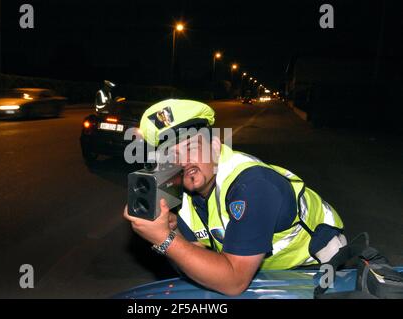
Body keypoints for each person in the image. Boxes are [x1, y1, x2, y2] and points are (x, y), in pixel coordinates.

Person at [123, 99, 345, 296]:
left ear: (216, 146)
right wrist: (172, 232)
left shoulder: (253, 185)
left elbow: (234, 282)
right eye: (173, 156)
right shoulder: (183, 195)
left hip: (315, 270)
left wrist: (164, 240)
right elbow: (194, 259)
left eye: (191, 148)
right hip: (258, 274)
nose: (184, 162)